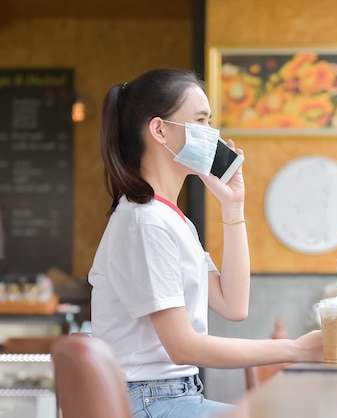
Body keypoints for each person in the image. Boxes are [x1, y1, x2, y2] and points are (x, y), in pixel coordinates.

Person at [88, 68, 323, 418]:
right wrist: (294, 350)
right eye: (201, 120)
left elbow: (234, 305)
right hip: (149, 401)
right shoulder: (145, 222)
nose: (212, 133)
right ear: (159, 130)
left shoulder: (172, 219)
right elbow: (182, 347)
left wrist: (233, 207)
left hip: (171, 398)